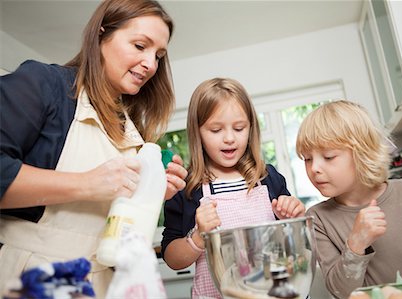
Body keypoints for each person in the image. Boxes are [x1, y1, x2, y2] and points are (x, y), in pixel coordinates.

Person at [0, 0, 188, 297]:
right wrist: (87, 184)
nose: (151, 64)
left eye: (158, 55)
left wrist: (150, 190)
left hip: (106, 282)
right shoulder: (43, 84)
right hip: (38, 279)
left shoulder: (129, 128)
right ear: (101, 35)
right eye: (141, 46)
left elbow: (113, 213)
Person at [161, 77, 306, 298]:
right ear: (197, 132)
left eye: (239, 128)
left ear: (251, 127)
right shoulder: (187, 188)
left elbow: (294, 246)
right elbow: (172, 258)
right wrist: (198, 238)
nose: (229, 138)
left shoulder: (267, 177)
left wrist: (291, 217)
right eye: (216, 130)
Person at [296, 100, 402, 299]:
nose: (314, 168)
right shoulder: (318, 219)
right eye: (307, 159)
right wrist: (355, 245)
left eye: (328, 156)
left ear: (363, 153)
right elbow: (340, 291)